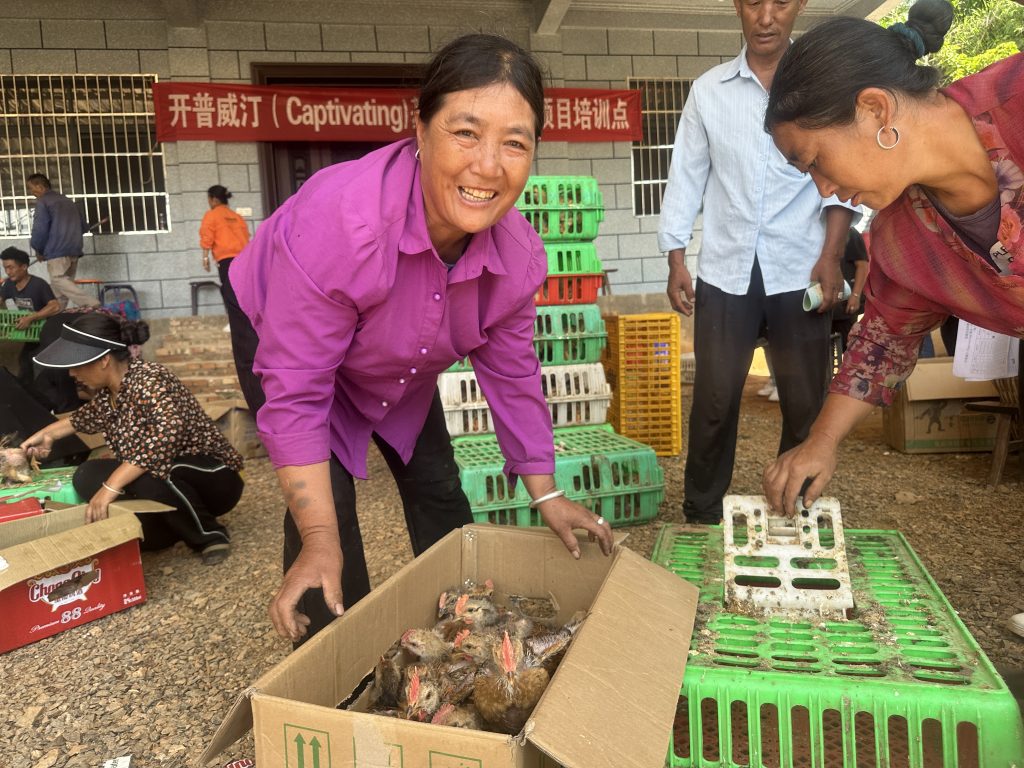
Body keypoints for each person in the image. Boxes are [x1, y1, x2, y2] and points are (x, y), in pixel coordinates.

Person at [231, 33, 614, 644]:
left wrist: (548, 495)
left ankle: (466, 636)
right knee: (328, 510)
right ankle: (336, 662)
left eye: (514, 142)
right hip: (282, 322)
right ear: (420, 128)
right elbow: (299, 395)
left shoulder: (516, 258)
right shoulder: (342, 224)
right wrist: (319, 539)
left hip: (397, 351)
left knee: (436, 480)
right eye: (465, 132)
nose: (488, 166)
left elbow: (513, 378)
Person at [758, 1, 1023, 632]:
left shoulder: (1015, 98)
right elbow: (882, 342)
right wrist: (819, 441)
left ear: (876, 111)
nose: (822, 188)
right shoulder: (906, 238)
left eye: (816, 161)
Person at [657, 0, 856, 525]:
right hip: (726, 272)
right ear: (737, 7)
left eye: (781, 3)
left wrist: (833, 254)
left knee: (804, 403)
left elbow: (842, 180)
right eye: (753, 2)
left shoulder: (823, 87)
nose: (766, 17)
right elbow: (687, 175)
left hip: (802, 269)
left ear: (800, 6)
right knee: (715, 401)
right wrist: (677, 257)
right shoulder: (709, 90)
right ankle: (701, 513)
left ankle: (799, 511)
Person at [21, 313, 245, 566]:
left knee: (148, 473)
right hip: (170, 479)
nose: (72, 373)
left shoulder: (149, 378)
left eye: (78, 365)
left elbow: (164, 436)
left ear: (104, 360)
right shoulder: (110, 394)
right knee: (87, 474)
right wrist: (45, 435)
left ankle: (209, 535)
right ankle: (169, 529)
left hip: (214, 475)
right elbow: (81, 419)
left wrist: (111, 487)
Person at [198, 184, 264, 413]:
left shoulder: (213, 215)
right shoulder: (236, 217)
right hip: (245, 259)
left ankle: (233, 322)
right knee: (241, 293)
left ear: (213, 199)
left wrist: (205, 256)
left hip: (226, 259)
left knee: (229, 292)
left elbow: (207, 235)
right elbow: (247, 237)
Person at [27, 173, 100, 310]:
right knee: (60, 293)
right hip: (74, 251)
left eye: (31, 188)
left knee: (57, 279)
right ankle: (56, 321)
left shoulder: (43, 202)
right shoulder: (68, 201)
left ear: (40, 186)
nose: (32, 193)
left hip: (57, 252)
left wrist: (38, 249)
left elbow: (40, 229)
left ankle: (90, 303)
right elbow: (83, 227)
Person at [1, 246, 61, 395]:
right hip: (31, 334)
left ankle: (49, 400)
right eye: (5, 268)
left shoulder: (39, 284)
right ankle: (28, 398)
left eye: (11, 267)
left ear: (24, 267)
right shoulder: (9, 285)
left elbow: (55, 306)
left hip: (48, 333)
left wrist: (32, 317)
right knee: (24, 363)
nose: (8, 272)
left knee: (40, 366)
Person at [831, 228, 870, 355]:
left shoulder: (850, 233)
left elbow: (862, 266)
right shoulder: (813, 231)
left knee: (849, 347)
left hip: (845, 302)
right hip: (822, 301)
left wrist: (856, 295)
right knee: (823, 350)